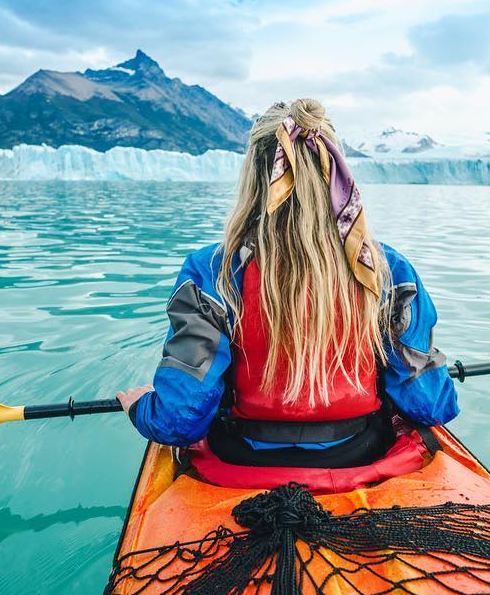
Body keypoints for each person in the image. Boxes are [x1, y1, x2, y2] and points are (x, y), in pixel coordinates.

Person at [117, 98, 458, 488]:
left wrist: (142, 407)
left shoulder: (211, 272)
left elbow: (178, 421)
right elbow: (432, 405)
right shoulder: (388, 271)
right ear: (334, 171)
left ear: (253, 177)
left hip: (240, 460)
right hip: (361, 454)